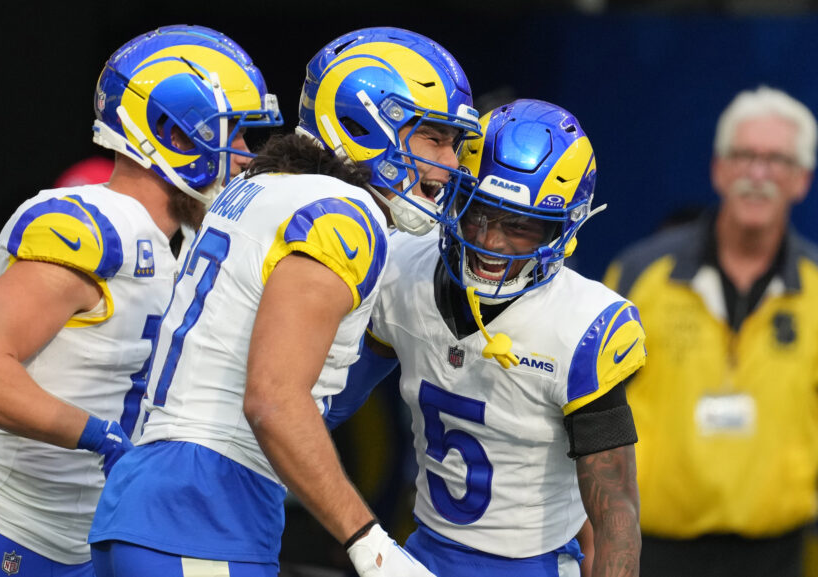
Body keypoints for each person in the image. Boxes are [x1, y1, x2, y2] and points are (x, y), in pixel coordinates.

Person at [0, 24, 283, 577]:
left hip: (87, 536)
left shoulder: (173, 249)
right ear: (176, 131)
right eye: (233, 134)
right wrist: (103, 437)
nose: (243, 158)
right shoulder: (91, 226)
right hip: (3, 527)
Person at [88, 26, 483, 577]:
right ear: (365, 122)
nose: (450, 165)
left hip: (151, 499)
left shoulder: (262, 187)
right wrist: (371, 545)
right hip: (206, 508)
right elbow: (273, 400)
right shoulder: (343, 215)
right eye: (435, 139)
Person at [325, 99, 645, 577]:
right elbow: (330, 402)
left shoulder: (585, 325)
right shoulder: (403, 269)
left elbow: (616, 515)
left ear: (561, 228)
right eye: (479, 212)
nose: (490, 242)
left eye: (519, 225)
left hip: (531, 567)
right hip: (422, 554)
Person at [604, 85, 818, 577]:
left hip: (777, 555)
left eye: (777, 160)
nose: (758, 174)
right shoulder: (641, 274)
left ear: (802, 180)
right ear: (719, 169)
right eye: (744, 156)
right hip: (650, 549)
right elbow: (591, 413)